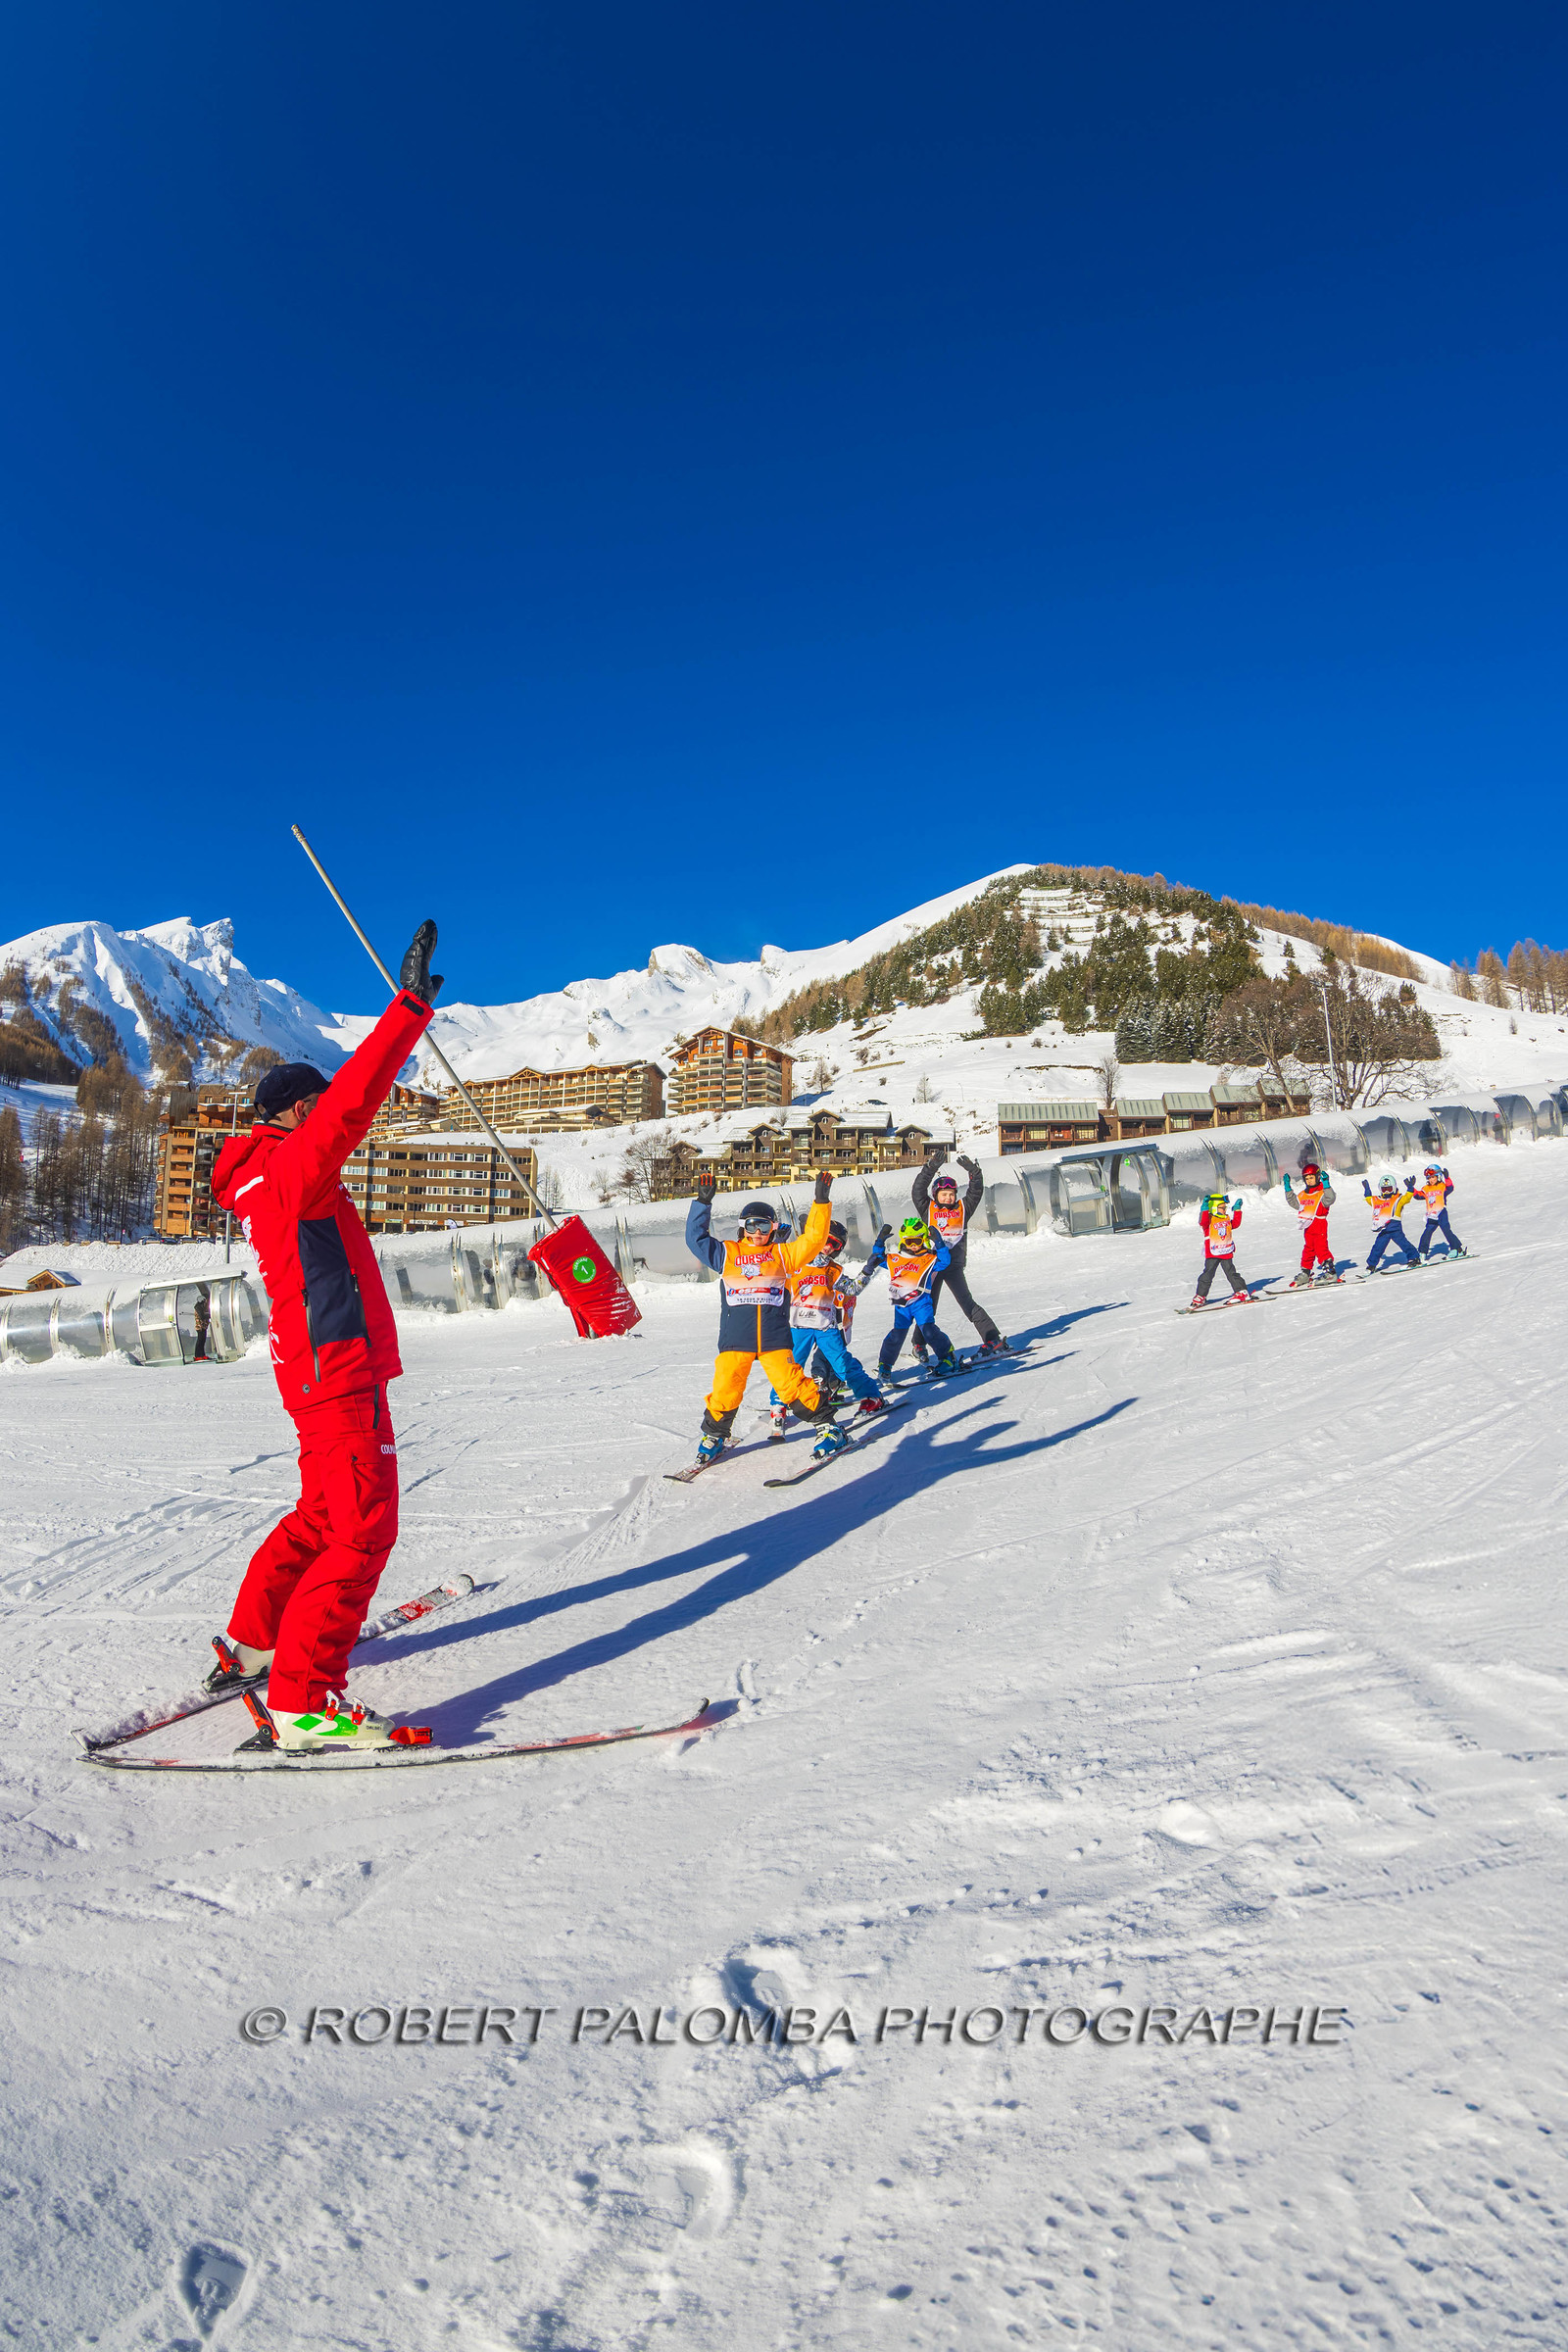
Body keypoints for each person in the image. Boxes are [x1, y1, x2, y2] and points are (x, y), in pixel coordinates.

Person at [205, 920, 444, 1752]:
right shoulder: (294, 1171)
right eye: (314, 1106)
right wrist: (408, 1009)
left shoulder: (261, 1175)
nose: (323, 1117)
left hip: (314, 1367)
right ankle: (305, 1701)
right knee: (361, 1528)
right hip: (337, 1369)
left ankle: (254, 1643)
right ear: (298, 1112)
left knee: (319, 1514)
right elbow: (353, 1105)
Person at [684, 1169, 844, 1466]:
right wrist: (702, 1204)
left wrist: (821, 1202)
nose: (758, 1232)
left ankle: (828, 1427)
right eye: (752, 1225)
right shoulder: (727, 1253)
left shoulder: (782, 1255)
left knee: (791, 1384)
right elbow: (696, 1239)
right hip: (736, 1338)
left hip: (773, 1337)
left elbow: (813, 1239)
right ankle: (715, 1436)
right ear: (742, 1227)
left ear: (773, 1228)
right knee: (726, 1386)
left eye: (764, 1225)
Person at [767, 1221, 887, 1439]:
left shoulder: (834, 1269)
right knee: (789, 1366)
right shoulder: (794, 1260)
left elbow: (852, 1289)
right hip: (798, 1326)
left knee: (842, 1363)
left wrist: (868, 1269)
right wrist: (777, 1245)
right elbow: (769, 1271)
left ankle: (871, 1396)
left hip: (825, 1326)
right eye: (827, 1240)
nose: (829, 1247)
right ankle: (779, 1405)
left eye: (836, 1244)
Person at [912, 1150, 1005, 1357]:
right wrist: (931, 1168)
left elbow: (976, 1190)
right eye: (944, 1194)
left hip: (953, 1266)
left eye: (952, 1194)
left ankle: (993, 1339)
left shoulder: (964, 1208)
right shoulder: (928, 1208)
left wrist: (974, 1172)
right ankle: (919, 1344)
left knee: (967, 1303)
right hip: (932, 1266)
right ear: (936, 1195)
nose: (948, 1198)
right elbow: (918, 1190)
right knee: (928, 1307)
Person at [865, 1215, 961, 1381]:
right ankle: (885, 1365)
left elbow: (944, 1262)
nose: (913, 1246)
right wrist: (879, 1242)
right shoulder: (896, 1259)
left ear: (924, 1239)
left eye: (917, 1241)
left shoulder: (928, 1258)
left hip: (921, 1303)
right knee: (897, 1335)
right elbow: (878, 1259)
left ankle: (947, 1357)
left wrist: (939, 1243)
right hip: (902, 1305)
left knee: (929, 1331)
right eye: (909, 1242)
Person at [1190, 1192, 1252, 1308]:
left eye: (1225, 1208)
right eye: (1222, 1208)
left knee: (1231, 1272)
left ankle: (1241, 1292)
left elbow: (1235, 1224)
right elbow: (1202, 1221)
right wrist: (1204, 1208)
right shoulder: (1209, 1220)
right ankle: (1200, 1296)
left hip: (1226, 1251)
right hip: (1213, 1252)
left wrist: (1237, 1210)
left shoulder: (1226, 1219)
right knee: (1208, 1274)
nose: (1224, 1210)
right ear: (1214, 1208)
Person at [1282, 1161, 1337, 1285]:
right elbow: (1295, 1203)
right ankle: (1306, 1272)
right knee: (1308, 1250)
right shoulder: (1304, 1194)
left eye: (1311, 1178)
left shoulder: (1322, 1193)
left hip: (1319, 1225)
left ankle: (1330, 1273)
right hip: (1308, 1226)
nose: (1309, 1181)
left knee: (1321, 1248)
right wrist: (1287, 1188)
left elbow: (1330, 1199)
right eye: (1307, 1179)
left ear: (1317, 1177)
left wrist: (1326, 1184)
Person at [1363, 1174, 1419, 1271]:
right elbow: (1369, 1200)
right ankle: (1371, 1265)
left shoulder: (1398, 1198)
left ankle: (1414, 1258)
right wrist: (1367, 1190)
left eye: (1389, 1189)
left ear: (1394, 1188)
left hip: (1394, 1227)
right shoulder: (1378, 1200)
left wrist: (1410, 1188)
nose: (1386, 1192)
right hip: (1384, 1229)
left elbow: (1407, 1198)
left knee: (1403, 1243)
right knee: (1378, 1246)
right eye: (1384, 1189)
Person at [1412, 1164, 1464, 1258]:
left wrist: (1447, 1178)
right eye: (1429, 1178)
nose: (1431, 1180)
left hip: (1441, 1212)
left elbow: (1450, 1188)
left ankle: (1455, 1248)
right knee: (1427, 1232)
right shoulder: (1426, 1188)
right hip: (1431, 1215)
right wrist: (1411, 1188)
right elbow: (1418, 1196)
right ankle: (1422, 1252)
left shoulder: (1442, 1186)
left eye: (1433, 1177)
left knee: (1446, 1230)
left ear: (1438, 1176)